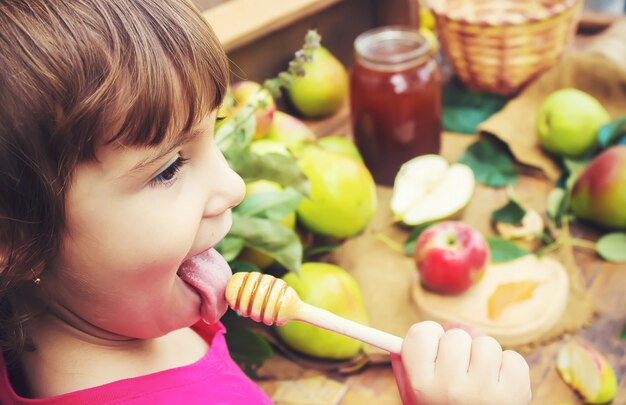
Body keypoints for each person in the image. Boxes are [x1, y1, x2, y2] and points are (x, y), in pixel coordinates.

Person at [0, 1, 532, 404]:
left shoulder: (119, 307)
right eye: (168, 167)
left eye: (218, 129)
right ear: (17, 241)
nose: (234, 186)